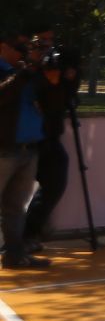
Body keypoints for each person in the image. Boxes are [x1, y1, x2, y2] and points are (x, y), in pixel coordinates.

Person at [22, 33, 78, 254]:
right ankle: (19, 238)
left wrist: (67, 79)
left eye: (47, 47)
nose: (45, 52)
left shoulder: (59, 77)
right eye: (38, 46)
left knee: (54, 183)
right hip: (20, 142)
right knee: (11, 194)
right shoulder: (24, 75)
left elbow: (64, 102)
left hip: (48, 140)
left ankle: (29, 233)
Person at [0, 35, 50, 270]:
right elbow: (4, 95)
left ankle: (15, 255)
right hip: (4, 150)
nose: (23, 52)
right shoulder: (14, 72)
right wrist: (26, 70)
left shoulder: (25, 70)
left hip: (28, 148)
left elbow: (50, 99)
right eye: (18, 47)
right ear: (3, 46)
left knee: (16, 207)